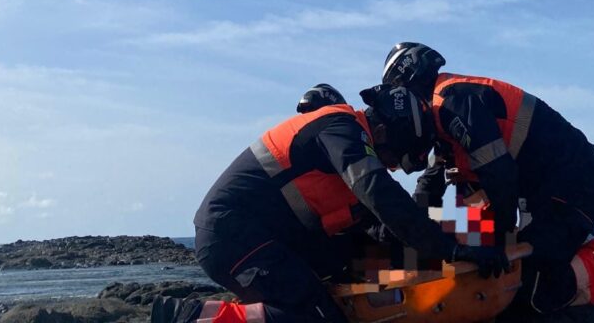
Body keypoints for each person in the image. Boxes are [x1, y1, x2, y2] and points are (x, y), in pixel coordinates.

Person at [381, 42, 594, 314]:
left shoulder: (453, 102)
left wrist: (501, 247)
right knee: (497, 264)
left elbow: (499, 174)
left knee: (530, 287)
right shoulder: (443, 116)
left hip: (574, 186)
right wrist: (406, 235)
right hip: (543, 189)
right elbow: (431, 183)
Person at [192, 83, 510, 323]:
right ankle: (194, 316)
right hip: (231, 234)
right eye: (391, 160)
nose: (391, 168)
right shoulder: (339, 127)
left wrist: (459, 248)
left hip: (270, 237)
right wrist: (448, 249)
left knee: (352, 286)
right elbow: (380, 192)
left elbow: (387, 229)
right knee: (317, 315)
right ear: (383, 130)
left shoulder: (343, 168)